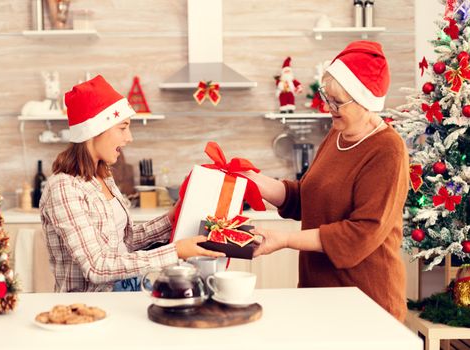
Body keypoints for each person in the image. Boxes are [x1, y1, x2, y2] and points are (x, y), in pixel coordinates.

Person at [246, 41, 409, 321]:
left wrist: (286, 240)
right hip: (319, 292)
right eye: (327, 96)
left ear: (365, 101)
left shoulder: (387, 150)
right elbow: (308, 197)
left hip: (365, 302)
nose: (328, 106)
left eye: (337, 101)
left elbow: (362, 233)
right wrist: (254, 180)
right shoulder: (337, 134)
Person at [40, 75, 224, 293]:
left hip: (129, 292)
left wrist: (170, 218)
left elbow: (124, 243)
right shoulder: (64, 187)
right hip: (89, 308)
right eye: (123, 127)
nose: (129, 138)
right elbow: (97, 267)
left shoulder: (103, 177)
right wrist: (175, 251)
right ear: (95, 130)